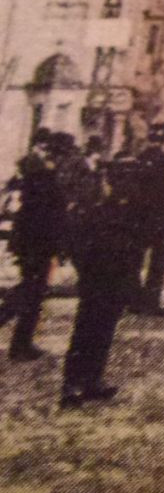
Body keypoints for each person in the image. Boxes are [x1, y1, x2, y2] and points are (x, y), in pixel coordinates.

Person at [58, 145, 146, 408]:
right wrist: (85, 270)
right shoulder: (93, 202)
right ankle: (71, 384)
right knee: (85, 331)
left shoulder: (132, 209)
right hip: (96, 277)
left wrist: (131, 277)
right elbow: (75, 239)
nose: (127, 183)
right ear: (113, 178)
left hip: (116, 278)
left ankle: (93, 380)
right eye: (123, 177)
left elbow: (138, 245)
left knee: (105, 330)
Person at [0, 129, 68, 360]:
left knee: (31, 291)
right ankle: (20, 345)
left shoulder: (35, 174)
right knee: (32, 292)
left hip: (32, 242)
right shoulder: (42, 176)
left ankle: (22, 343)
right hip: (36, 243)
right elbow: (46, 214)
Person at [129, 123, 164, 316]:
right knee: (159, 261)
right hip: (159, 217)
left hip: (139, 217)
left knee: (135, 259)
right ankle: (151, 302)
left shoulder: (139, 159)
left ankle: (134, 300)